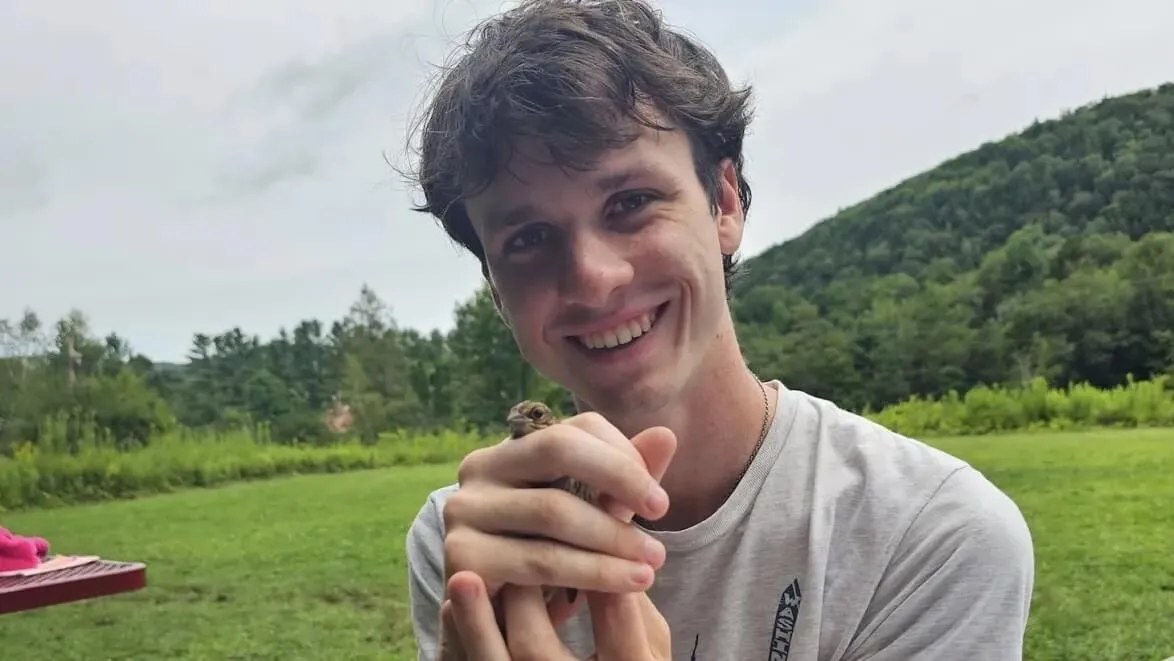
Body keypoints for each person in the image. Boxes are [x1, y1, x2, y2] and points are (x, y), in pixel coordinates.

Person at [402, 1, 1036, 659]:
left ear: (725, 202)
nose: (593, 278)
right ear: (497, 293)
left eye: (630, 202)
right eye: (529, 238)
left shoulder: (932, 536)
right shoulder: (471, 539)